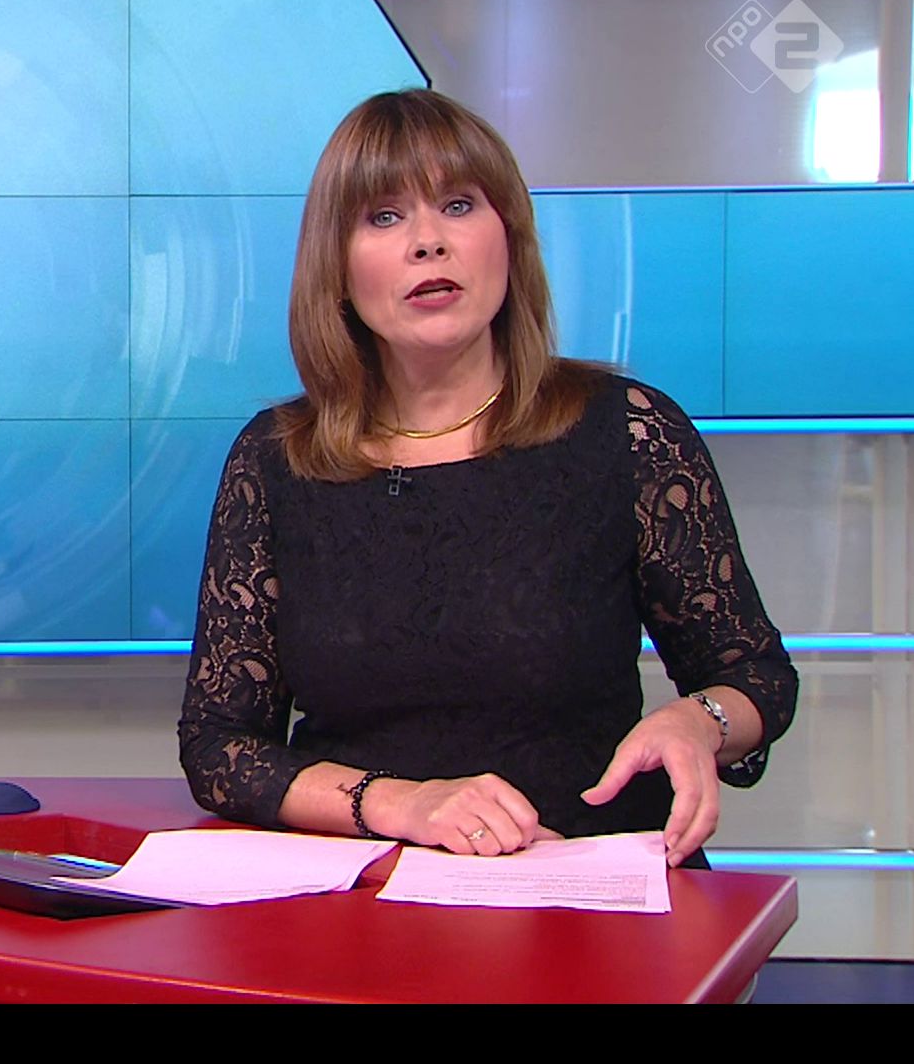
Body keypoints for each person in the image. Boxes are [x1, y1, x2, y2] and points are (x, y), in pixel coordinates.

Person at [177, 89, 798, 869]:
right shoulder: (277, 460)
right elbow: (219, 747)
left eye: (459, 205)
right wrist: (399, 802)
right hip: (374, 893)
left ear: (509, 237)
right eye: (384, 217)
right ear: (335, 269)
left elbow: (754, 675)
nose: (428, 243)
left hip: (590, 882)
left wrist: (699, 722)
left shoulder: (627, 430)